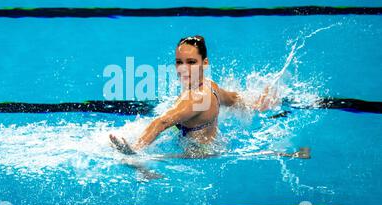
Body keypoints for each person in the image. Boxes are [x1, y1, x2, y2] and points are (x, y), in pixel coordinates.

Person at [109, 35, 310, 160]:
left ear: (205, 63)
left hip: (197, 156)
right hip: (217, 145)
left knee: (139, 165)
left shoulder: (193, 99)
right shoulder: (211, 87)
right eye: (179, 62)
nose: (183, 69)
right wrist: (259, 103)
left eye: (191, 62)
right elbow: (236, 100)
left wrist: (134, 150)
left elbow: (162, 122)